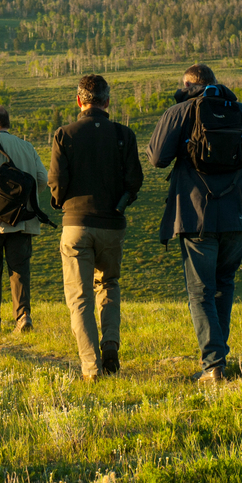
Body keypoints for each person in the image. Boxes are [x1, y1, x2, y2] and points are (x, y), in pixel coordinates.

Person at [148, 63, 242, 383]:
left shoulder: (180, 112)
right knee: (224, 284)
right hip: (238, 212)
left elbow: (157, 158)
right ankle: (219, 357)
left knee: (201, 291)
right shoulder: (241, 111)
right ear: (215, 83)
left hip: (195, 212)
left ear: (187, 85)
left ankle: (214, 364)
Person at [48, 75, 143, 380]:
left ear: (79, 101)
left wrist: (59, 201)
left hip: (76, 223)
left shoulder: (64, 134)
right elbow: (134, 182)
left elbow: (57, 182)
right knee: (109, 285)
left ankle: (91, 367)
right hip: (112, 225)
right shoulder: (124, 135)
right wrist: (121, 203)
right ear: (107, 101)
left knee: (80, 298)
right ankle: (110, 343)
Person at [0, 105, 49, 335]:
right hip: (22, 220)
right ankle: (23, 316)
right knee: (20, 271)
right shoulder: (27, 146)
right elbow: (42, 179)